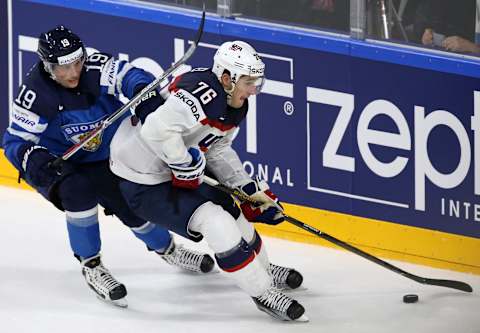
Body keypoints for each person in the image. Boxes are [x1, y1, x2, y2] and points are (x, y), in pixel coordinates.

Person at [2, 25, 215, 308]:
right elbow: (14, 141)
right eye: (63, 68)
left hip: (105, 154)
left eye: (77, 63)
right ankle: (91, 264)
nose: (73, 73)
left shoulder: (94, 64)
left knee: (128, 202)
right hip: (58, 161)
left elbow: (132, 76)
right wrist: (32, 157)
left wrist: (144, 97)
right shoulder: (34, 93)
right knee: (78, 193)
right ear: (47, 65)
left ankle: (167, 248)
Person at [109, 40, 307, 321]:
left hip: (168, 169)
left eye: (256, 82)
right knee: (215, 221)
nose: (254, 90)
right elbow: (154, 129)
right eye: (249, 82)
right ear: (227, 78)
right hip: (140, 178)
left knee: (231, 208)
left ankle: (261, 268)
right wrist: (183, 162)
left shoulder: (235, 103)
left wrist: (248, 189)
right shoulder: (202, 93)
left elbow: (217, 148)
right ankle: (262, 292)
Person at [414, 0, 479, 55]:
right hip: (432, 56)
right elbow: (421, 20)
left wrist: (470, 47)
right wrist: (425, 33)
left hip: (468, 63)